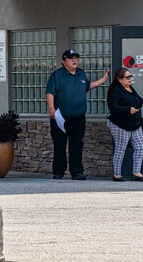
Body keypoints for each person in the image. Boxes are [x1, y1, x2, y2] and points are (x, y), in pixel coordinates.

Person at [46, 49, 110, 180]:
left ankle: (76, 172)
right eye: (71, 58)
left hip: (78, 117)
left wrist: (103, 79)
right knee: (59, 144)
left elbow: (88, 86)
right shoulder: (57, 75)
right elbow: (50, 92)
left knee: (76, 144)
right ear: (63, 61)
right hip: (60, 117)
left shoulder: (81, 73)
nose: (74, 60)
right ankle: (58, 171)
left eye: (76, 58)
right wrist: (51, 108)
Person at [106, 67, 143, 181]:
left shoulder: (130, 88)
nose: (130, 79)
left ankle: (136, 172)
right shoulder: (115, 91)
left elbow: (134, 100)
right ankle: (117, 175)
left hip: (135, 124)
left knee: (140, 146)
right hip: (120, 125)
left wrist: (141, 100)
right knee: (120, 149)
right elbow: (113, 108)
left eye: (131, 76)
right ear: (119, 79)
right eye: (127, 77)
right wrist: (128, 110)